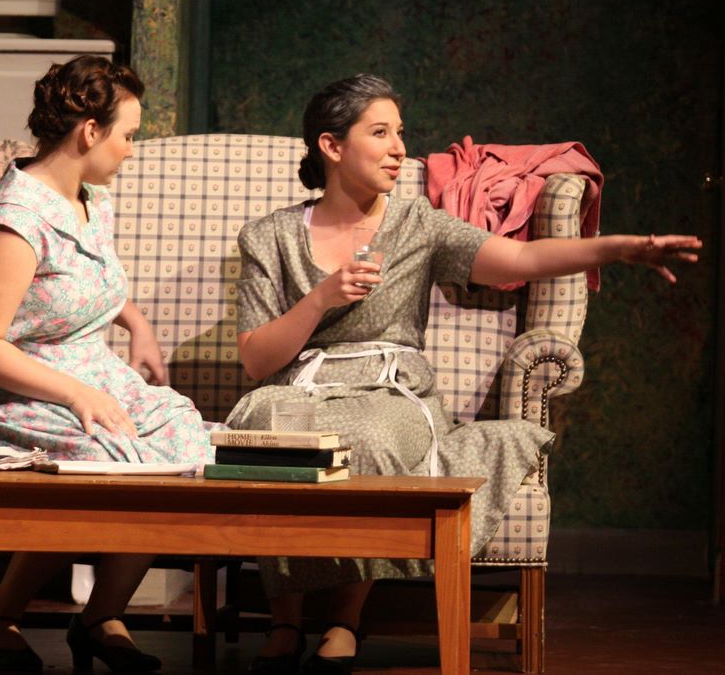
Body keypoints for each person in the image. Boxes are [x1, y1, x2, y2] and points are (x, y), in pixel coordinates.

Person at [226, 74, 701, 675]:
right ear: (331, 145)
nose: (400, 148)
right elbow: (256, 360)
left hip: (386, 387)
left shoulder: (418, 225)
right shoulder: (269, 235)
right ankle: (285, 622)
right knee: (270, 426)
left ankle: (344, 620)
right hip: (300, 385)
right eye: (381, 133)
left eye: (400, 132)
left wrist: (619, 248)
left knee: (367, 437)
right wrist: (320, 298)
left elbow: (521, 257)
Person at [0, 55, 217, 672]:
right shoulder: (16, 222)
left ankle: (100, 615)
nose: (131, 151)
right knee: (109, 457)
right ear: (90, 132)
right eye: (128, 136)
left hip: (89, 370)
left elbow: (83, 280)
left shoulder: (90, 198)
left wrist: (137, 324)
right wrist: (75, 394)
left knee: (184, 438)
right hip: (11, 386)